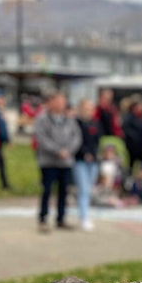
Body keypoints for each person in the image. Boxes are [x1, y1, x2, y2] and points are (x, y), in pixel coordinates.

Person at [35, 92, 82, 232]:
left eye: (63, 101)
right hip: (48, 161)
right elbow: (41, 138)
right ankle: (43, 218)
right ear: (51, 102)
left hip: (66, 161)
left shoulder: (69, 119)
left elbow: (77, 136)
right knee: (47, 190)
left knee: (64, 191)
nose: (61, 104)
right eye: (58, 101)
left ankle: (61, 218)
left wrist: (69, 150)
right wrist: (57, 150)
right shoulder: (42, 119)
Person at [74, 99, 102, 231]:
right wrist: (84, 153)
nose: (88, 111)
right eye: (86, 108)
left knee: (89, 189)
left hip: (94, 161)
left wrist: (96, 154)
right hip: (80, 161)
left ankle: (85, 213)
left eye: (90, 108)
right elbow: (75, 141)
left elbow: (98, 142)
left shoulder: (95, 124)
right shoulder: (75, 123)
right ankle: (83, 216)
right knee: (83, 189)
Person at [121, 97, 142, 175]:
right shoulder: (129, 117)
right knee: (130, 165)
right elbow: (126, 130)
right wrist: (136, 137)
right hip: (132, 146)